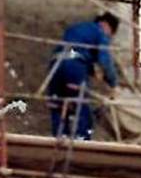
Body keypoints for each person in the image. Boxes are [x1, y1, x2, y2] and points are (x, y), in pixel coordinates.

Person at [46, 12, 121, 141]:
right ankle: (82, 139)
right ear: (107, 26)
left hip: (55, 66)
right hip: (73, 66)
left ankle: (60, 136)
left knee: (58, 104)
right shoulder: (100, 31)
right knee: (81, 105)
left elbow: (82, 54)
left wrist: (92, 70)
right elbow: (105, 60)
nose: (109, 37)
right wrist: (113, 83)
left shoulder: (77, 29)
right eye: (111, 34)